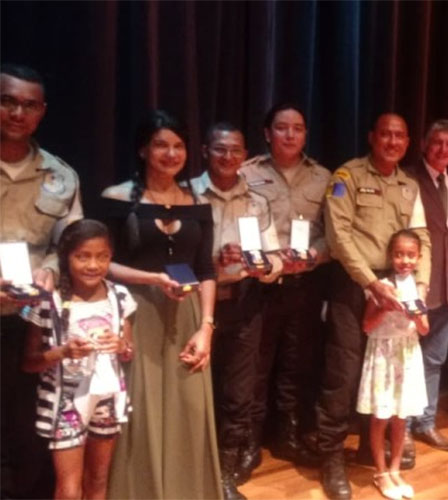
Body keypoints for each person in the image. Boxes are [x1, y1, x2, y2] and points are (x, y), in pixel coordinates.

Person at [100, 110, 221, 499]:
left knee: (189, 408)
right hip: (136, 315)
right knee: (140, 411)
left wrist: (206, 327)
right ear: (143, 149)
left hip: (186, 316)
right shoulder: (117, 198)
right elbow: (101, 264)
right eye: (161, 144)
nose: (171, 153)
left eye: (179, 146)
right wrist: (152, 279)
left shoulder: (199, 202)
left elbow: (206, 270)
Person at [318, 112, 431, 500]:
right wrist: (371, 284)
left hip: (397, 286)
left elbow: (422, 239)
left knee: (387, 370)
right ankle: (331, 456)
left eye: (400, 135)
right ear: (372, 137)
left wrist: (419, 286)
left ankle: (372, 448)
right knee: (344, 373)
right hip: (355, 286)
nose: (393, 141)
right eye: (386, 134)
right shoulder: (347, 177)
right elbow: (338, 235)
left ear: (407, 142)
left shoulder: (408, 185)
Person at [0, 63, 83, 499]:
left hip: (28, 318)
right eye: (8, 101)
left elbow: (71, 242)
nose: (18, 112)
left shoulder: (62, 176)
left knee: (23, 423)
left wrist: (51, 266)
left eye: (29, 105)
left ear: (42, 112)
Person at [191, 122, 283, 499]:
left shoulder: (257, 201)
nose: (228, 157)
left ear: (245, 155)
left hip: (245, 302)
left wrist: (261, 265)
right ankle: (193, 466)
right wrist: (212, 261)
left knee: (238, 392)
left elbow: (274, 258)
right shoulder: (186, 196)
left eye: (235, 151)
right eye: (219, 150)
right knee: (195, 391)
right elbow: (171, 259)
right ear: (204, 152)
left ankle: (224, 474)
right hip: (196, 305)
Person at [239, 104, 329, 469]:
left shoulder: (323, 176)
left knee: (296, 364)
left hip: (305, 283)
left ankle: (288, 436)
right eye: (282, 128)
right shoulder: (246, 173)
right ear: (266, 132)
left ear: (306, 134)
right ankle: (249, 442)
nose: (290, 135)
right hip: (260, 285)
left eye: (298, 128)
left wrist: (313, 255)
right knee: (256, 368)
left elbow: (331, 234)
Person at [20, 219, 135, 500]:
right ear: (66, 257)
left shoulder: (120, 297)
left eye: (102, 256)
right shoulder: (49, 301)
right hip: (64, 403)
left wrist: (121, 345)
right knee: (69, 488)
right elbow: (28, 362)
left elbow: (128, 352)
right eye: (82, 256)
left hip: (106, 399)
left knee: (97, 479)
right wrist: (63, 352)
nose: (93, 265)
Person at [407, 119, 448, 452]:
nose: (443, 149)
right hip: (416, 287)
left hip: (447, 288)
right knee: (405, 359)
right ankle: (400, 428)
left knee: (433, 360)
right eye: (437, 142)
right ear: (423, 144)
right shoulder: (408, 180)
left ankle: (426, 422)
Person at [358, 230, 429, 500]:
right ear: (391, 256)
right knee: (381, 417)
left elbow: (424, 329)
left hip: (408, 354)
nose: (405, 260)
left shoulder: (420, 288)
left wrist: (418, 315)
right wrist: (384, 308)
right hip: (383, 355)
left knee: (401, 417)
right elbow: (366, 326)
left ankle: (396, 469)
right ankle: (380, 471)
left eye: (411, 255)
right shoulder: (381, 286)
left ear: (419, 257)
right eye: (399, 254)